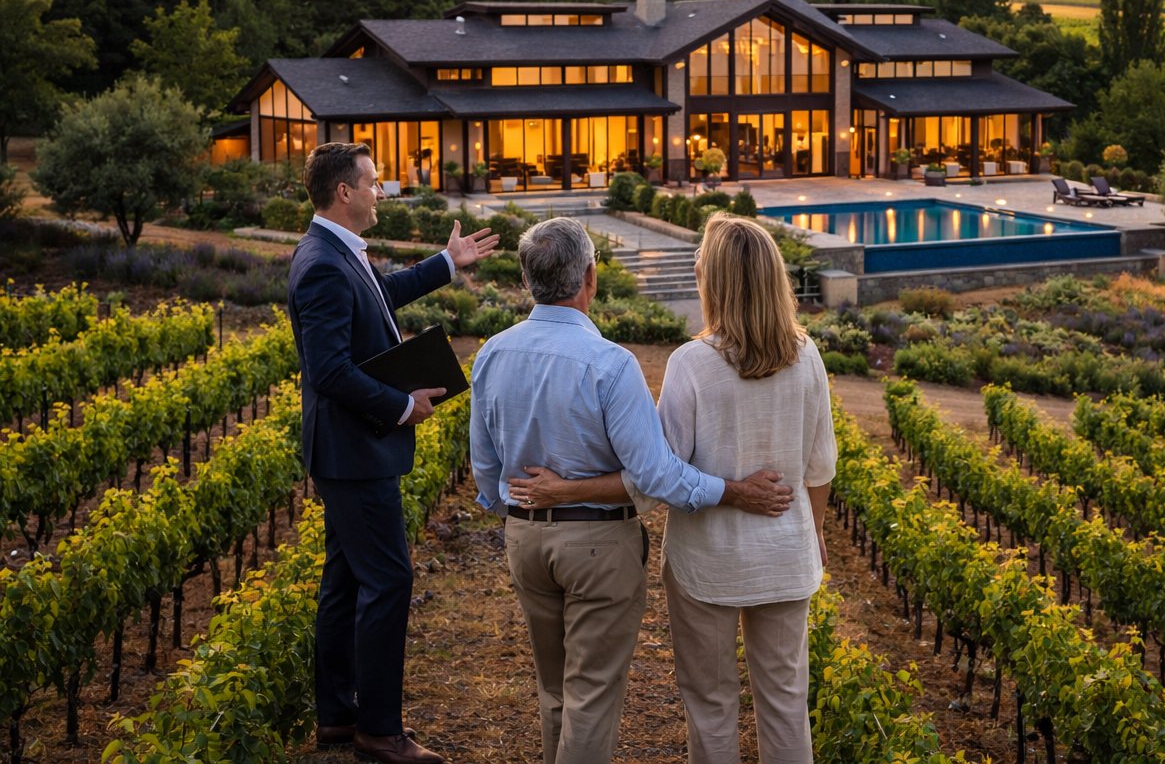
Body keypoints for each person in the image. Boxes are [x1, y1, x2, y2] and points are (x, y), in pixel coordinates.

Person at [511, 214, 835, 764]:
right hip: (784, 554)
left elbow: (658, 472)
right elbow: (820, 467)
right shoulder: (807, 356)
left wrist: (568, 489)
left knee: (710, 703)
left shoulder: (693, 364)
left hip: (706, 561)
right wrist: (816, 532)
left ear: (715, 281)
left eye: (701, 264)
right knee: (786, 700)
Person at [288, 142, 499, 764]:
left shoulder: (334, 251)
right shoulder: (323, 264)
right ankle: (379, 731)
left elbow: (379, 294)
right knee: (388, 579)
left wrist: (447, 262)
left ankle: (337, 715)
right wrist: (401, 406)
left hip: (347, 451)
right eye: (373, 182)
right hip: (354, 453)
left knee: (345, 579)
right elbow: (328, 371)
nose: (381, 191)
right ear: (344, 192)